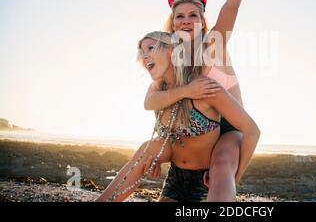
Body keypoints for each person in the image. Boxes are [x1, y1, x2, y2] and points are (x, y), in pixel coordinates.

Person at [144, 0, 281, 201]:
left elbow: (232, 3)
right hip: (197, 133)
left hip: (229, 127)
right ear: (172, 23)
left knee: (220, 169)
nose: (185, 20)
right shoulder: (172, 57)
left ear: (202, 21)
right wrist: (161, 153)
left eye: (193, 15)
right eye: (179, 16)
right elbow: (164, 104)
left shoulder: (213, 42)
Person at [96, 31, 260, 202]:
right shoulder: (158, 90)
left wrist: (235, 176)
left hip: (209, 183)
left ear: (172, 51)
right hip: (175, 181)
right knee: (148, 149)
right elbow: (149, 106)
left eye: (150, 48)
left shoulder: (204, 86)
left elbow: (252, 131)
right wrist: (156, 160)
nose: (144, 56)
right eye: (142, 52)